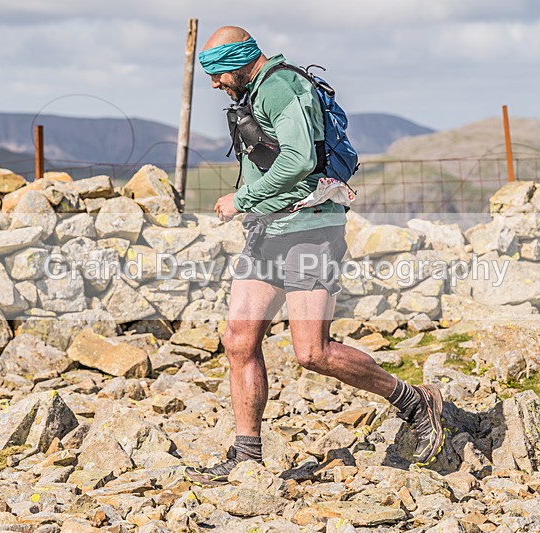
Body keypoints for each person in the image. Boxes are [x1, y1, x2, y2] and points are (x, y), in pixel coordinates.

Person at [184, 26, 444, 487]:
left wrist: (243, 199)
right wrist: (254, 207)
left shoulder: (284, 87)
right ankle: (246, 458)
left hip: (310, 232)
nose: (214, 85)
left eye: (219, 74)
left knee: (312, 352)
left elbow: (300, 160)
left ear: (242, 60)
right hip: (267, 232)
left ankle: (413, 400)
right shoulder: (255, 92)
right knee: (239, 340)